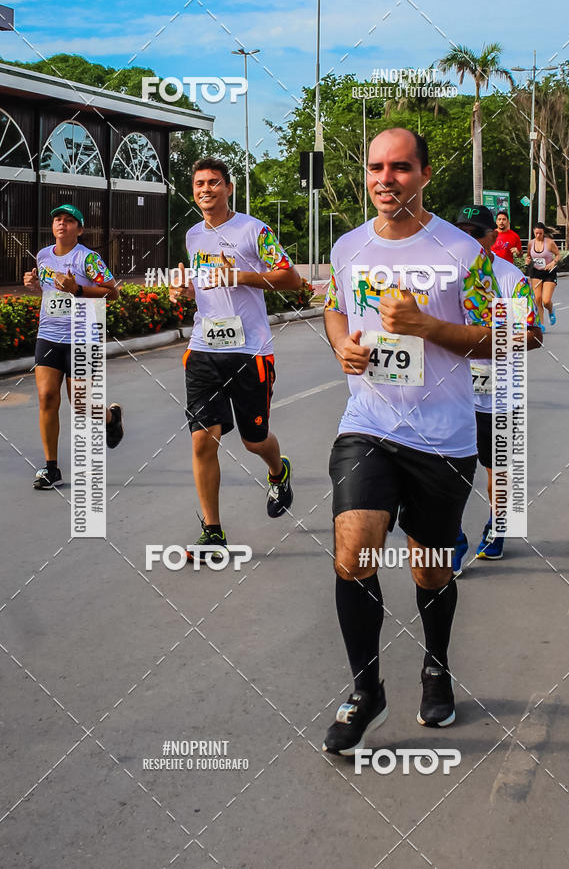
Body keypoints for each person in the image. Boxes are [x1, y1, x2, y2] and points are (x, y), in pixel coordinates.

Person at [322, 128, 503, 755]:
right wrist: (341, 342)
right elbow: (334, 307)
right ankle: (365, 690)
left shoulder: (461, 254)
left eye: (400, 168)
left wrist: (429, 325)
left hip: (443, 439)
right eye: (375, 167)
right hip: (368, 426)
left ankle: (436, 665)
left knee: (429, 570)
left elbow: (514, 339)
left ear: (425, 175)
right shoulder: (349, 247)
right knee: (354, 550)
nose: (385, 179)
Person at [169, 157, 301, 559]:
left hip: (250, 351)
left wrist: (240, 276)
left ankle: (278, 471)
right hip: (205, 348)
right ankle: (213, 532)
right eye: (199, 183)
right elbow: (204, 288)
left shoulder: (253, 230)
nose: (205, 189)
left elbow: (291, 278)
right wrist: (185, 293)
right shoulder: (193, 236)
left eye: (213, 183)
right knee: (202, 441)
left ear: (228, 188)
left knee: (253, 440)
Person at [453, 205, 542, 568]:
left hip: (500, 390)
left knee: (498, 470)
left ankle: (499, 525)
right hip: (453, 391)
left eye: (476, 233)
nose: (468, 240)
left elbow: (534, 336)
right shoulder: (445, 274)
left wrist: (483, 341)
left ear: (494, 238)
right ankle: (452, 538)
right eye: (462, 232)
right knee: (448, 471)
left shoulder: (508, 279)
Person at [23, 205, 123, 490]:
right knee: (46, 397)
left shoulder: (87, 258)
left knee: (80, 403)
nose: (62, 224)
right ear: (52, 226)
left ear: (79, 229)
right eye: (57, 219)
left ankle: (110, 417)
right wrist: (33, 284)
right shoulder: (43, 256)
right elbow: (49, 290)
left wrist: (77, 289)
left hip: (82, 336)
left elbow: (112, 292)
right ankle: (51, 467)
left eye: (69, 221)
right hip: (49, 333)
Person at [526, 222, 561, 331]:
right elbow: (528, 256)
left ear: (543, 232)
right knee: (538, 299)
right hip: (536, 272)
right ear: (533, 232)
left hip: (549, 273)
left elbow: (558, 255)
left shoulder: (549, 243)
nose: (538, 236)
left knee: (546, 301)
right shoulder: (531, 243)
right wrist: (527, 261)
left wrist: (553, 262)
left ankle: (551, 310)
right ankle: (541, 324)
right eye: (536, 233)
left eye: (540, 233)